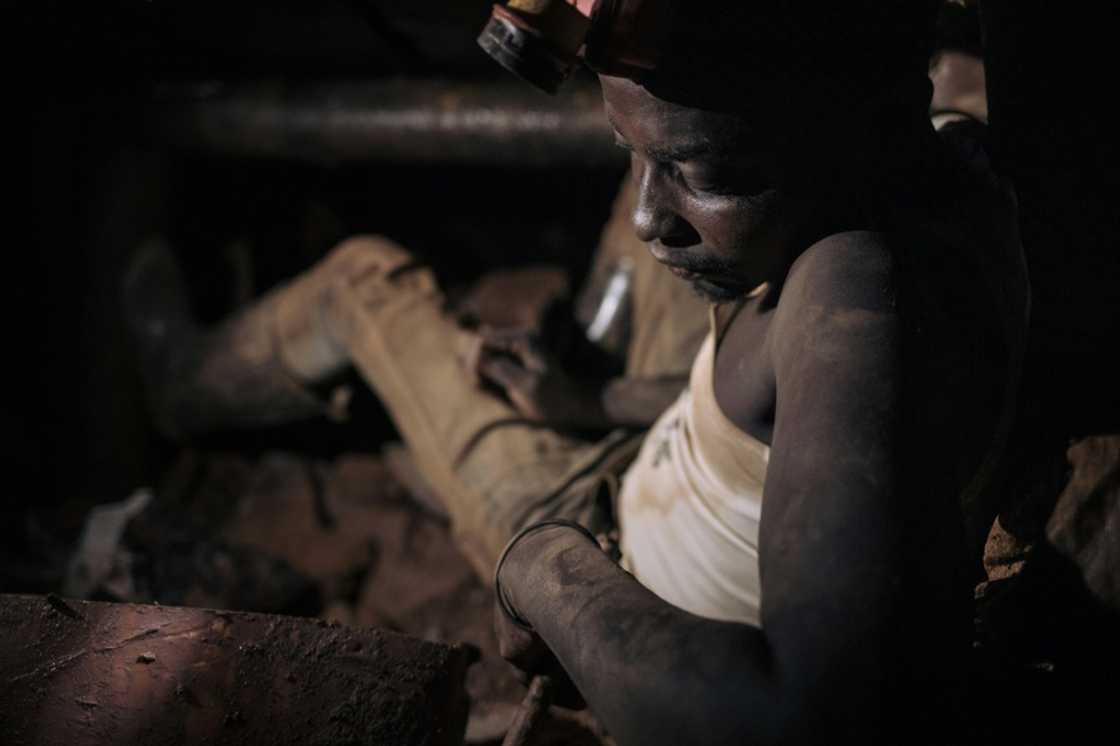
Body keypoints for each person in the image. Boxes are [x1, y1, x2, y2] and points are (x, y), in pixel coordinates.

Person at [483, 2, 1028, 743]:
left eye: (709, 173)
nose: (646, 217)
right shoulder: (938, 166)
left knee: (363, 287)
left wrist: (538, 566)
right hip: (642, 461)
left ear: (882, 123)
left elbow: (805, 713)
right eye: (629, 154)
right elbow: (750, 424)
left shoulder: (856, 288)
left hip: (604, 549)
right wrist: (589, 398)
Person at [124, 172, 709, 578]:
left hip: (588, 531)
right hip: (640, 448)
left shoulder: (794, 325)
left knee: (359, 281)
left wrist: (582, 399)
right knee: (660, 170)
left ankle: (181, 387)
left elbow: (734, 401)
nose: (648, 211)